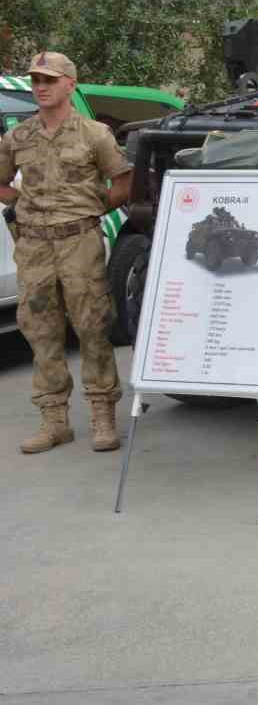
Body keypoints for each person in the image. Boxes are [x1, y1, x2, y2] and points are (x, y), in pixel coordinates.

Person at [0, 52, 132, 454]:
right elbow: (1, 182)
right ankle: (54, 420)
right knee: (41, 332)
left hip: (80, 242)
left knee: (92, 327)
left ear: (70, 85)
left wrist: (88, 211)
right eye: (36, 80)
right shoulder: (18, 137)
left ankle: (102, 415)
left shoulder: (95, 134)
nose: (41, 86)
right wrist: (24, 206)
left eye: (50, 80)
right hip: (35, 245)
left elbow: (123, 184)